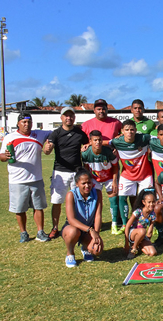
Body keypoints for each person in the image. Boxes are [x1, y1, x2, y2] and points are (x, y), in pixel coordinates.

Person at [0, 113, 51, 243]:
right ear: (18, 123)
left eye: (29, 122)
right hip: (17, 180)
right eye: (23, 122)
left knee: (38, 207)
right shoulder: (10, 137)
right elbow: (1, 157)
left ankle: (40, 232)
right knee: (20, 208)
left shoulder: (39, 134)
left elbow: (56, 133)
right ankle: (24, 233)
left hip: (36, 178)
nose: (26, 125)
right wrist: (5, 156)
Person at [43, 107, 89, 239]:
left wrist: (86, 146)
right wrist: (47, 149)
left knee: (78, 201)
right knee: (57, 201)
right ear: (61, 118)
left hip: (76, 172)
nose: (69, 118)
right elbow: (47, 150)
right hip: (60, 172)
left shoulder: (79, 133)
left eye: (71, 116)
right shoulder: (56, 133)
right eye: (66, 116)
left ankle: (78, 225)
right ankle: (55, 227)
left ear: (74, 118)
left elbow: (87, 144)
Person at [81, 99, 124, 231]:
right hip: (95, 168)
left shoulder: (116, 122)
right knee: (93, 198)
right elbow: (83, 142)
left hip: (111, 164)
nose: (101, 111)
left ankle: (117, 221)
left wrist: (115, 145)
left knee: (115, 195)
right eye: (98, 108)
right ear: (94, 110)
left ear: (107, 109)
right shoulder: (86, 125)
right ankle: (92, 221)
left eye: (103, 108)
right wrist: (85, 147)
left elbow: (123, 135)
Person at [110, 119, 153, 226]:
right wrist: (88, 144)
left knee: (149, 198)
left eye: (132, 130)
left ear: (136, 130)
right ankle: (125, 224)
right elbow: (105, 143)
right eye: (127, 130)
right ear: (122, 131)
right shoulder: (116, 141)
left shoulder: (143, 138)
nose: (130, 132)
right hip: (127, 175)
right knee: (122, 197)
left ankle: (148, 222)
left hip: (145, 175)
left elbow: (159, 137)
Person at [61, 170, 103, 267]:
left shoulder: (97, 193)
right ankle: (70, 253)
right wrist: (90, 230)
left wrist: (96, 234)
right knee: (73, 232)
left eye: (89, 182)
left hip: (89, 229)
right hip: (73, 227)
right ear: (77, 184)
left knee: (97, 250)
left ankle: (85, 248)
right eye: (83, 183)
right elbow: (71, 219)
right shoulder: (71, 195)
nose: (87, 186)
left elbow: (98, 215)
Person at [82, 130, 120, 234]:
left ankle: (114, 224)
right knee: (96, 201)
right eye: (95, 140)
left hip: (108, 177)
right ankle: (95, 223)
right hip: (95, 179)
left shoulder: (108, 152)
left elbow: (116, 167)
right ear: (90, 141)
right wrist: (89, 182)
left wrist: (114, 181)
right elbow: (85, 169)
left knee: (113, 199)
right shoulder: (86, 153)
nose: (98, 142)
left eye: (99, 140)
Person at [124, 189, 157, 258]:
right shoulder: (138, 212)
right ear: (143, 202)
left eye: (153, 202)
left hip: (142, 235)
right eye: (149, 202)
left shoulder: (152, 214)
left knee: (152, 253)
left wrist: (147, 241)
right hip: (133, 233)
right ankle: (134, 248)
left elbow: (150, 231)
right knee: (142, 231)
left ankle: (138, 244)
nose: (151, 204)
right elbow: (127, 226)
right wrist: (126, 243)